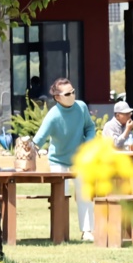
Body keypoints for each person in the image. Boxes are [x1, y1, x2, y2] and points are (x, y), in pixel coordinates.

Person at [29, 77, 97, 241]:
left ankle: (87, 231)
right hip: (58, 161)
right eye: (68, 93)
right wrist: (28, 149)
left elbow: (90, 127)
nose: (72, 95)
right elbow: (38, 140)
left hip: (80, 161)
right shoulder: (53, 116)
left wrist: (88, 143)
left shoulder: (81, 107)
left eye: (73, 92)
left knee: (85, 195)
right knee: (61, 198)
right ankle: (60, 232)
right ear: (57, 97)